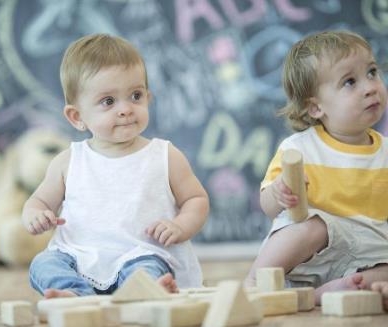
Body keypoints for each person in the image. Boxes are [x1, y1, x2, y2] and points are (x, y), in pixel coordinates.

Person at [22, 34, 209, 298]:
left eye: (135, 96)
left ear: (148, 97)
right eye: (108, 101)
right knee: (43, 264)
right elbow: (38, 201)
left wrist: (180, 225)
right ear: (77, 117)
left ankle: (146, 292)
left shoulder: (165, 156)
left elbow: (196, 199)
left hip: (140, 253)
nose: (125, 109)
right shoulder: (69, 161)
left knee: (147, 268)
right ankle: (74, 296)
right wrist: (35, 216)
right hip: (78, 257)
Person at [244, 30, 388, 305]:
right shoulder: (298, 149)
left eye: (372, 72)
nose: (370, 87)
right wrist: (278, 193)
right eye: (349, 82)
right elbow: (267, 205)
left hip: (368, 251)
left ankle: (329, 293)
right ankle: (253, 283)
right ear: (314, 108)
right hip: (310, 253)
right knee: (312, 227)